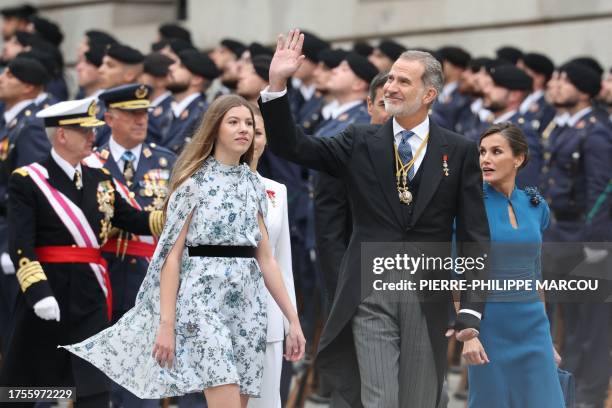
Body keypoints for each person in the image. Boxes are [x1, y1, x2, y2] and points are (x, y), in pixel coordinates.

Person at [259, 29, 489, 407]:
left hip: (426, 291)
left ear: (429, 94)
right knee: (379, 398)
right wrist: (278, 84)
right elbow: (293, 146)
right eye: (391, 78)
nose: (391, 87)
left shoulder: (459, 151)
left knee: (419, 399)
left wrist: (470, 306)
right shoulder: (358, 141)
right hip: (370, 290)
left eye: (403, 81)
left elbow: (474, 234)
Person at [63, 95, 305, 408]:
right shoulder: (192, 183)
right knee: (225, 397)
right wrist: (166, 324)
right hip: (202, 302)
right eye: (234, 122)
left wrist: (292, 320)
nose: (244, 129)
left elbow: (266, 258)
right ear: (214, 129)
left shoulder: (254, 186)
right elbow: (170, 257)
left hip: (249, 302)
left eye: (248, 123)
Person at [0, 97, 164, 407]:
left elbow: (131, 219)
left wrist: (174, 216)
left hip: (90, 291)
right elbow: (20, 242)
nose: (93, 137)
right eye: (84, 131)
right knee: (27, 382)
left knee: (92, 384)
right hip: (47, 289)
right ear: (62, 135)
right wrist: (38, 292)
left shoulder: (99, 178)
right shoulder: (29, 180)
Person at [83, 83, 176, 408]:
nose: (141, 120)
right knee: (94, 376)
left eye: (144, 114)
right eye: (132, 114)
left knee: (141, 377)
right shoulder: (89, 161)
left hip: (147, 280)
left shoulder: (166, 162)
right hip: (99, 276)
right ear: (109, 118)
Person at [462, 122, 564, 407]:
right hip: (489, 325)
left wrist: (546, 338)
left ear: (518, 158)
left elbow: (535, 272)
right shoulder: (468, 205)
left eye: (496, 151)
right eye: (482, 152)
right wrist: (468, 333)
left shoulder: (535, 204)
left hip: (533, 326)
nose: (486, 159)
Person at [541, 61, 612, 408]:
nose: (554, 85)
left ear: (583, 90)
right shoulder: (560, 127)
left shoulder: (595, 130)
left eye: (563, 80)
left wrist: (594, 245)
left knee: (590, 326)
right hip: (559, 235)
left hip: (585, 239)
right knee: (565, 322)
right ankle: (569, 390)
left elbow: (602, 191)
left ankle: (589, 394)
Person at [247, 106, 297, 408]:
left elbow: (281, 262)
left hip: (268, 313)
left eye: (258, 132)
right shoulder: (200, 185)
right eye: (240, 128)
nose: (250, 137)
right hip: (216, 312)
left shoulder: (276, 191)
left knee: (266, 402)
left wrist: (292, 321)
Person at [0, 56, 51, 353]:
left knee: (19, 328)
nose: (2, 78)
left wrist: (16, 245)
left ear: (28, 86)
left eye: (10, 74)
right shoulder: (11, 118)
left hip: (13, 233)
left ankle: (35, 398)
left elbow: (29, 189)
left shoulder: (31, 124)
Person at [162, 49, 220, 153]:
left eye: (181, 66)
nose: (171, 68)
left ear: (196, 79)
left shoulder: (203, 115)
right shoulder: (166, 108)